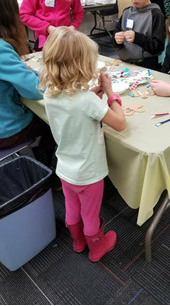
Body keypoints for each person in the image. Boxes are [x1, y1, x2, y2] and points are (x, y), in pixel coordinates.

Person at [39, 26, 126, 262]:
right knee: (90, 213)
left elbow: (75, 111)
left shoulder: (49, 93)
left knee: (72, 207)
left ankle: (78, 242)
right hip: (89, 172)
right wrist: (110, 93)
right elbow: (119, 123)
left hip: (65, 168)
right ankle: (97, 247)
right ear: (81, 66)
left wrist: (93, 97)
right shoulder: (87, 99)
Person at [0, 0, 56, 168]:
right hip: (7, 129)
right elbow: (35, 90)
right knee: (54, 119)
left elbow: (18, 77)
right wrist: (55, 80)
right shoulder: (2, 48)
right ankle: (49, 167)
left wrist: (28, 72)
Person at [114, 0, 165, 70]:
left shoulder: (155, 14)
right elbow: (116, 36)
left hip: (146, 65)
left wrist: (137, 37)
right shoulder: (127, 12)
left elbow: (157, 47)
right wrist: (117, 40)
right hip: (125, 63)